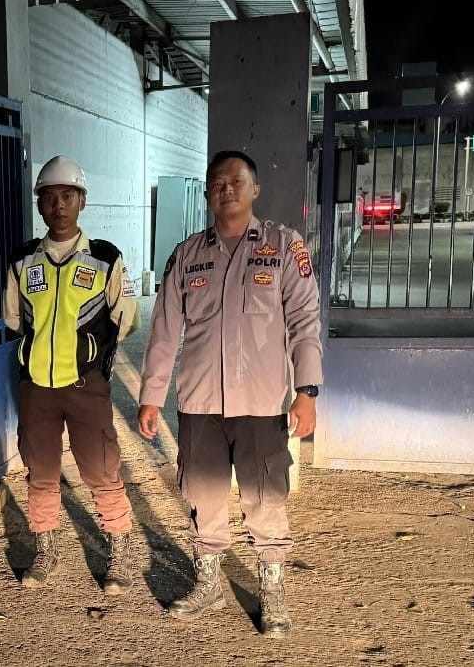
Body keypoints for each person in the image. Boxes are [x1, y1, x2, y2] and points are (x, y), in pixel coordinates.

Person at [137, 150, 323, 638]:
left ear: (254, 189)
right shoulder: (187, 255)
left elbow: (305, 322)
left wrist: (307, 390)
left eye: (236, 181)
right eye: (217, 183)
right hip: (199, 402)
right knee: (203, 494)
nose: (227, 189)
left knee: (265, 497)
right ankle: (208, 583)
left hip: (261, 403)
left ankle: (272, 587)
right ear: (207, 193)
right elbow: (164, 331)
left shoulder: (283, 247)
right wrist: (151, 395)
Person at [2, 154, 140, 593]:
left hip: (86, 385)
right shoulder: (23, 261)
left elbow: (127, 317)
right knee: (41, 471)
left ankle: (119, 549)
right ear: (39, 205)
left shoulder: (105, 258)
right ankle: (46, 549)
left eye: (68, 196)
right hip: (37, 388)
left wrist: (91, 352)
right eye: (49, 197)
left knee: (101, 469)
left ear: (82, 201)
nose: (58, 205)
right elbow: (13, 319)